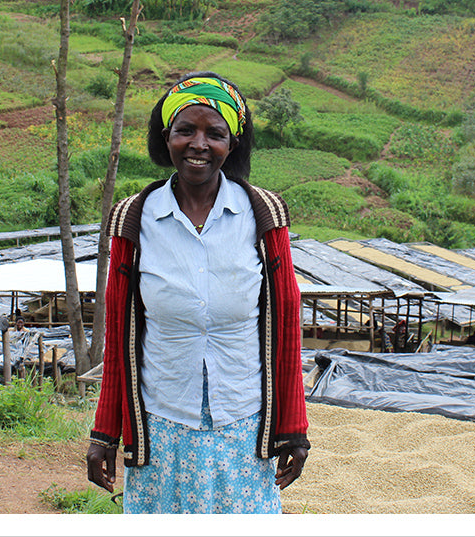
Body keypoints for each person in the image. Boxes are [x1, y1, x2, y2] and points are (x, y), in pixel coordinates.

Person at [85, 72, 310, 514]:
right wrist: (104, 433)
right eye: (186, 130)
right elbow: (120, 336)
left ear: (234, 142)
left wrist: (294, 428)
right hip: (162, 424)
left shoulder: (264, 215)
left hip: (243, 428)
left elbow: (286, 326)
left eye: (215, 133)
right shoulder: (134, 220)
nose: (199, 144)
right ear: (166, 136)